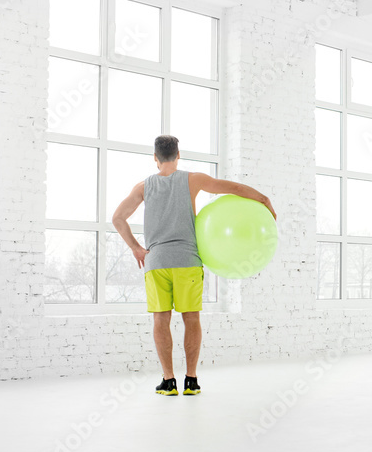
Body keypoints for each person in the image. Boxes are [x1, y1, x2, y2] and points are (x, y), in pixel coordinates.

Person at [112, 135, 276, 396]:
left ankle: (168, 381)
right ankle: (191, 380)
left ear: (155, 158)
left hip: (157, 263)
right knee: (191, 318)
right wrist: (263, 199)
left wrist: (136, 248)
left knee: (161, 319)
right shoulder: (193, 179)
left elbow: (118, 218)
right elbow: (231, 188)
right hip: (187, 261)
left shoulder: (143, 187)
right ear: (178, 155)